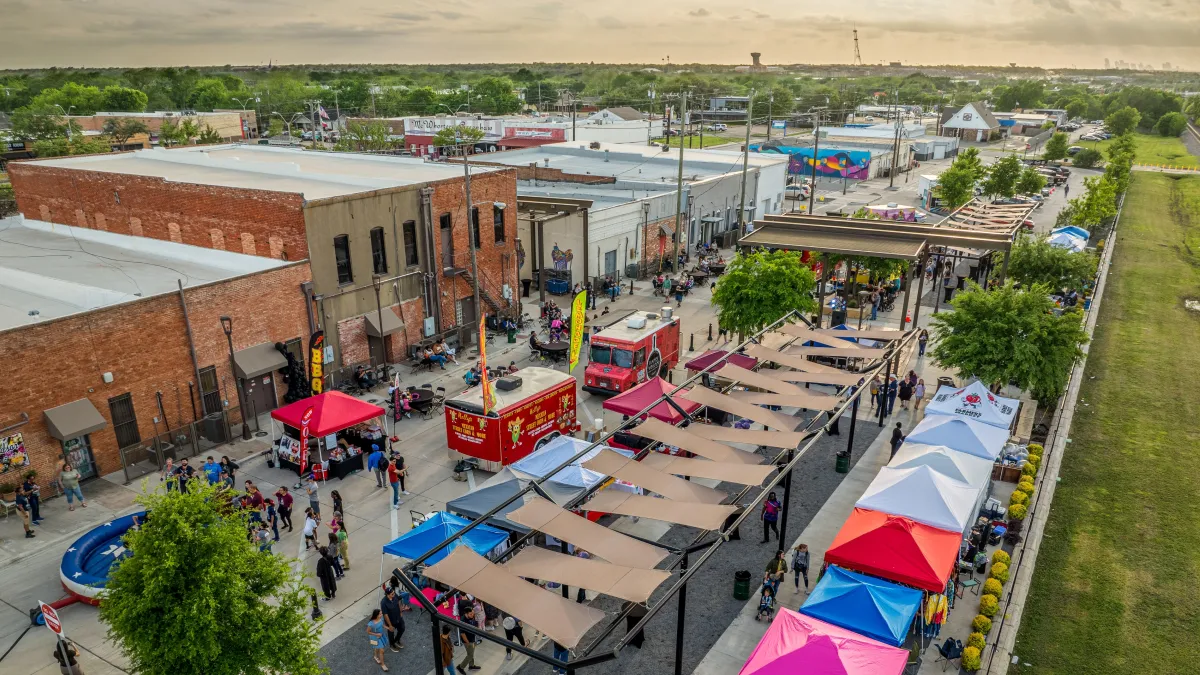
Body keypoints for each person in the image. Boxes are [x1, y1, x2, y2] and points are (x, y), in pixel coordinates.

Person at [380, 584, 406, 652]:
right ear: (387, 595)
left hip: (398, 617)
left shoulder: (395, 596)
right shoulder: (383, 602)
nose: (394, 595)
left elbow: (398, 601)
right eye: (392, 594)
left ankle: (397, 640)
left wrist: (400, 611)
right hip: (390, 621)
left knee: (402, 628)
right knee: (391, 633)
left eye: (394, 593)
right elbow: (385, 615)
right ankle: (392, 645)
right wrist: (390, 625)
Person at [457, 602, 480, 673]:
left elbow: (475, 623)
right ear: (466, 614)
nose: (472, 615)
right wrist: (468, 643)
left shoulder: (471, 616)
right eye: (470, 614)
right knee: (470, 655)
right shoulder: (463, 621)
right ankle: (461, 667)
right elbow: (463, 634)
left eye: (473, 613)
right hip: (467, 641)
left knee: (471, 653)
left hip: (472, 638)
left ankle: (471, 665)